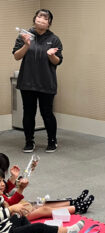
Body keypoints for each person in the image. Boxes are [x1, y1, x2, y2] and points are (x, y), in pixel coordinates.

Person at [12, 9, 63, 153]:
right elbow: (16, 56)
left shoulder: (54, 39)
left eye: (45, 18)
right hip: (27, 82)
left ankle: (52, 141)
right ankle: (29, 142)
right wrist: (26, 45)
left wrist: (51, 55)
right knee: (28, 113)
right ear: (35, 19)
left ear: (49, 23)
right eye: (39, 16)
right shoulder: (25, 35)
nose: (41, 19)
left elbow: (58, 61)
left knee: (47, 113)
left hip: (46, 82)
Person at [0, 194, 85, 233]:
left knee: (20, 216)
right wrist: (10, 209)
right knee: (38, 226)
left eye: (2, 180)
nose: (2, 183)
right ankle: (69, 231)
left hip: (6, 227)